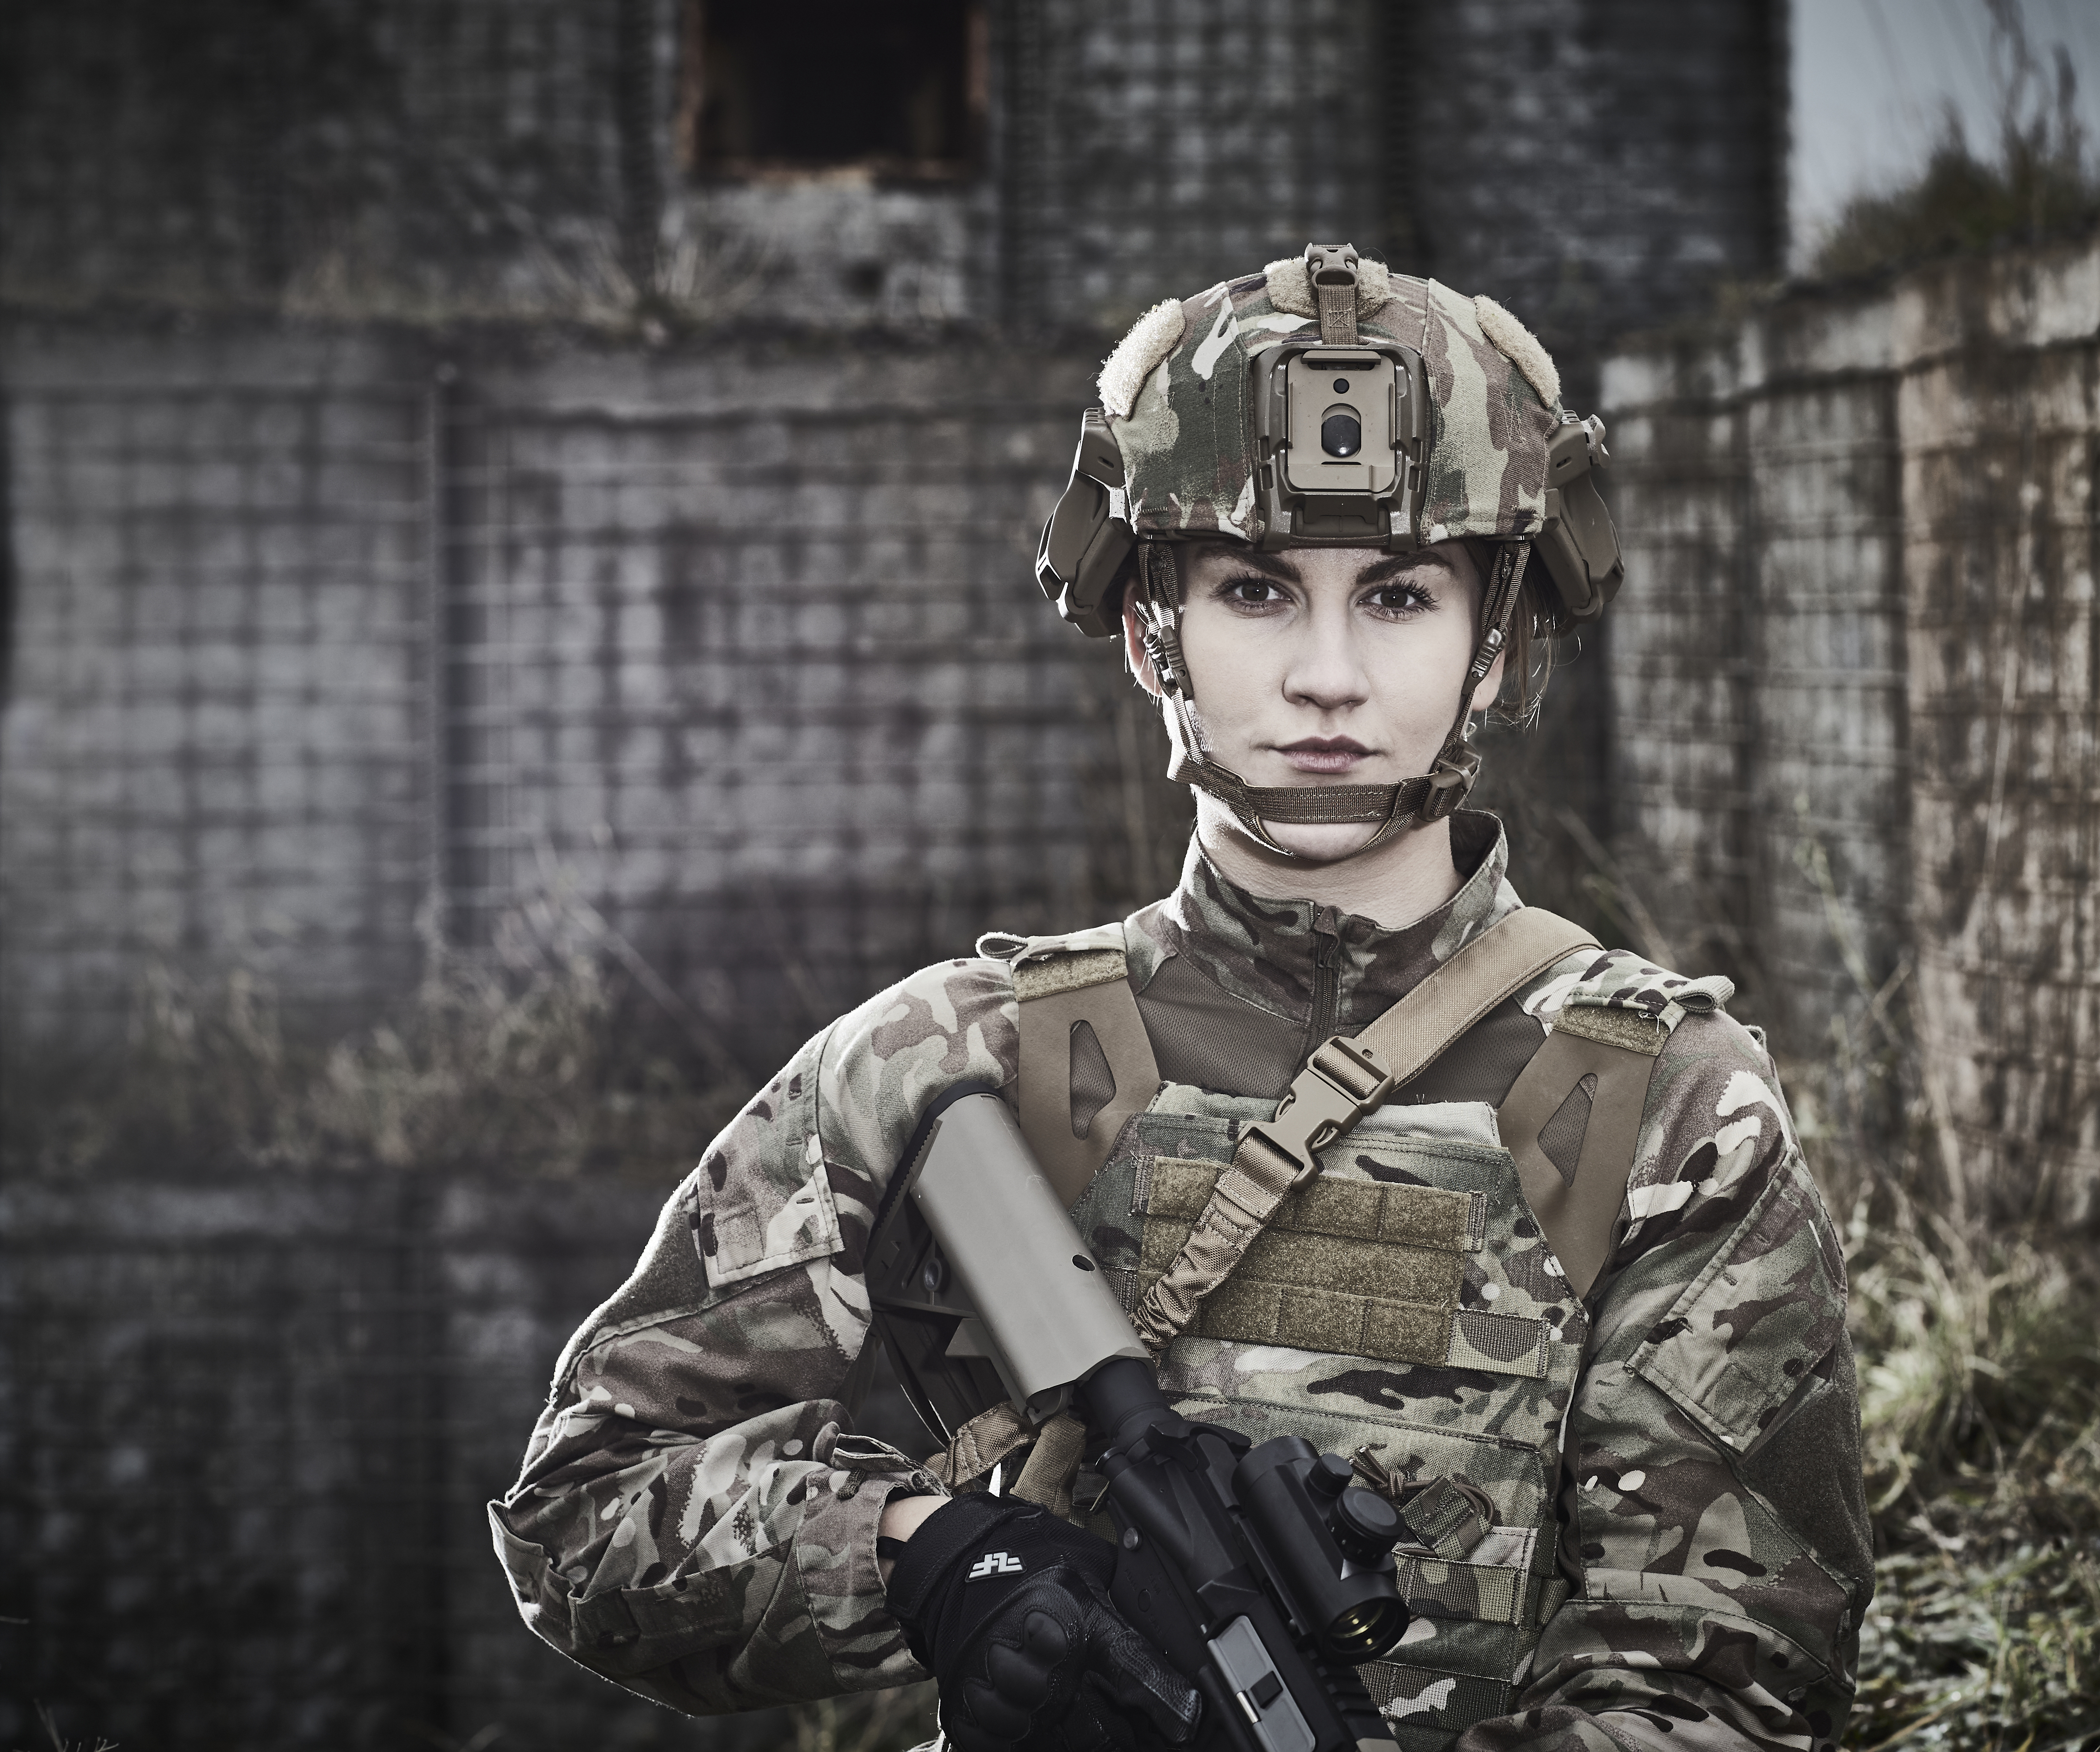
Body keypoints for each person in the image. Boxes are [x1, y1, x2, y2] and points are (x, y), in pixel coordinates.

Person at [492, 244, 1871, 1752]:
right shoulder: (954, 1062)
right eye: (1258, 591)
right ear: (1154, 627)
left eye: (1401, 595)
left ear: (1494, 648)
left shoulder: (1663, 1102)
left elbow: (1728, 1683)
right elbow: (581, 1509)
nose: (1328, 677)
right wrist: (930, 1560)